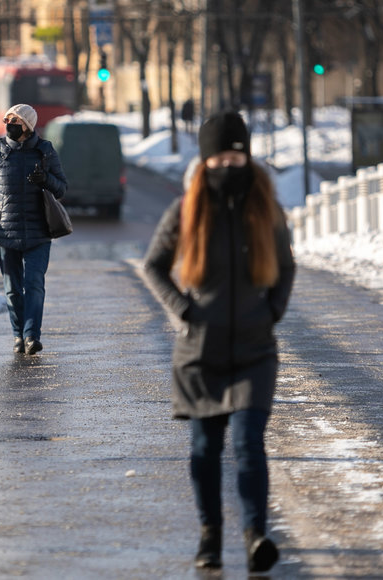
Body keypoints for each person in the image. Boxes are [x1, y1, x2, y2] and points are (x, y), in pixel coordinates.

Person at [142, 111, 295, 574]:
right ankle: (210, 536)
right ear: (206, 159)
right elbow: (153, 265)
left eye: (236, 155)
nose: (229, 164)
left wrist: (271, 312)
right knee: (205, 451)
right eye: (219, 157)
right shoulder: (188, 207)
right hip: (200, 353)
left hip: (254, 350)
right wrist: (183, 310)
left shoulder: (265, 203)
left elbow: (286, 265)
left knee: (250, 443)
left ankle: (255, 536)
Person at [0, 104, 68, 355]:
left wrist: (46, 181)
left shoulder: (45, 151)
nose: (9, 124)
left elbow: (62, 189)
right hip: (6, 235)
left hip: (39, 233)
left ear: (27, 126)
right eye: (7, 119)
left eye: (14, 120)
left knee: (35, 284)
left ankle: (31, 336)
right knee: (12, 289)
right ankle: (18, 334)